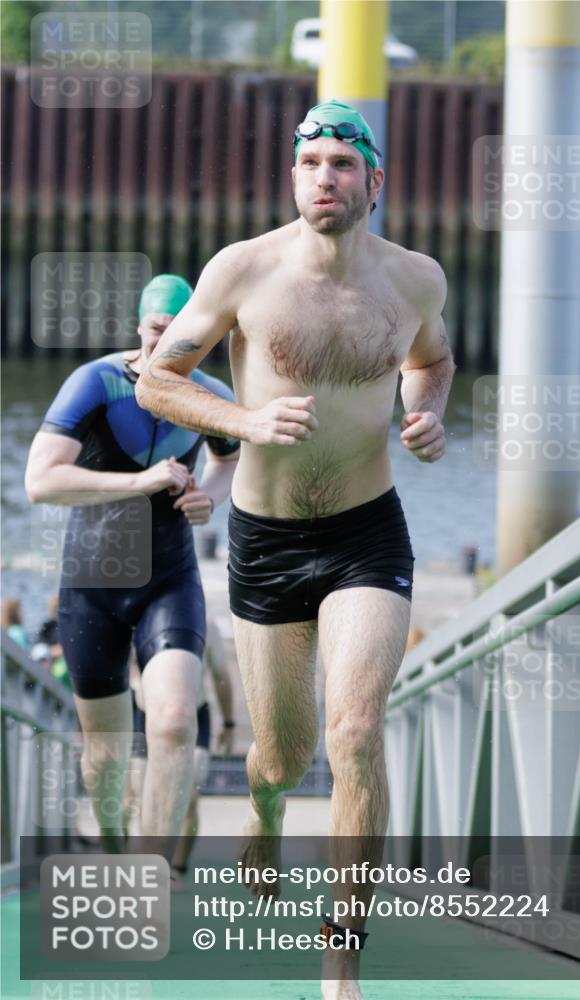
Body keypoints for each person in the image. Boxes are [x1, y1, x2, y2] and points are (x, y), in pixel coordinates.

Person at [136, 102, 455, 999]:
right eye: (310, 163)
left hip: (366, 532)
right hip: (267, 541)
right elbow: (157, 380)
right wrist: (243, 421)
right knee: (280, 756)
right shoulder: (243, 269)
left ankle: (340, 956)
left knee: (353, 730)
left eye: (342, 164)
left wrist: (427, 413)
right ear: (291, 178)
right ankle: (266, 810)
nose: (324, 177)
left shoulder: (415, 279)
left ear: (373, 182)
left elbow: (431, 360)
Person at [25, 274, 240, 853]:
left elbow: (229, 459)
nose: (163, 345)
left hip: (169, 578)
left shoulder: (209, 395)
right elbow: (40, 481)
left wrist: (210, 497)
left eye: (179, 334)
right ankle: (116, 845)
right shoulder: (96, 382)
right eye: (154, 331)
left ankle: (151, 868)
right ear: (138, 327)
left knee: (174, 720)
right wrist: (139, 482)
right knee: (106, 756)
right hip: (92, 584)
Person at [126, 616, 236, 880]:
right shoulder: (137, 616)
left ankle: (177, 867)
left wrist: (229, 723)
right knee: (143, 797)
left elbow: (221, 675)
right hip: (146, 713)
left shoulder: (208, 625)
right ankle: (151, 863)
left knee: (188, 796)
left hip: (192, 714)